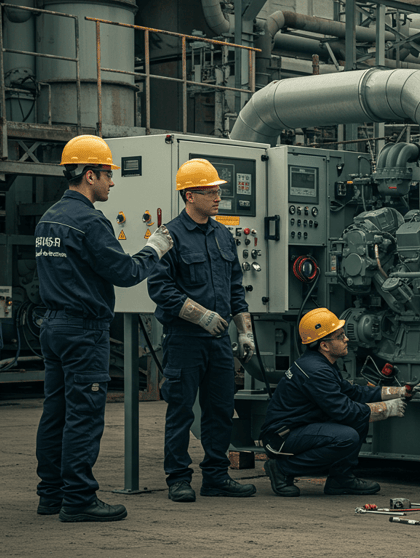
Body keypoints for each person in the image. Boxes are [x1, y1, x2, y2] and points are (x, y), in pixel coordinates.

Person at [35, 134, 174, 522]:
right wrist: (155, 248)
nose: (113, 182)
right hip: (84, 330)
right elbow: (125, 273)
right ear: (90, 174)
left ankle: (51, 495)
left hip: (54, 327)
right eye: (109, 175)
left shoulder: (49, 218)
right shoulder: (89, 221)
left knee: (56, 413)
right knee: (83, 415)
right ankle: (78, 499)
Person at [147, 159, 258, 502]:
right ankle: (178, 478)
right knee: (181, 409)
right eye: (211, 192)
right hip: (184, 339)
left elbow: (236, 289)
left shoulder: (223, 234)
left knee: (220, 409)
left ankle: (215, 476)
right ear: (189, 195)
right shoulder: (166, 236)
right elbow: (160, 289)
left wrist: (245, 332)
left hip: (219, 341)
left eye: (218, 192)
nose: (218, 198)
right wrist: (200, 316)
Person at [259, 308, 408, 497]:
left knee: (358, 420)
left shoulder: (321, 363)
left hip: (299, 428)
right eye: (340, 336)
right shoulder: (316, 371)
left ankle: (340, 479)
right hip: (283, 437)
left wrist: (396, 392)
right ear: (325, 345)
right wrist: (386, 409)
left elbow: (351, 392)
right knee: (346, 437)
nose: (346, 339)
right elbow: (344, 411)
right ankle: (282, 468)